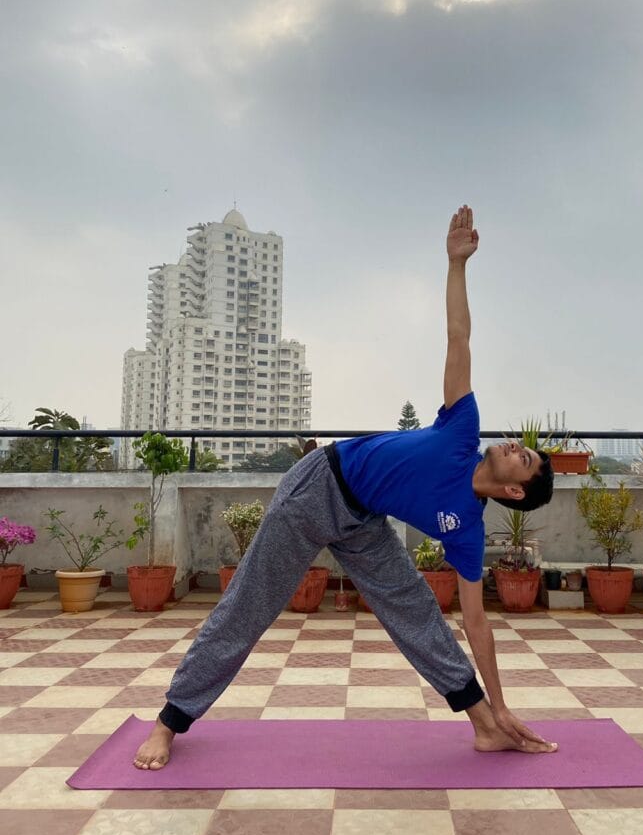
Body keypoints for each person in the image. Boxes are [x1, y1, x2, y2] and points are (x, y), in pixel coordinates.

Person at [133, 205, 556, 770]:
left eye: (521, 459)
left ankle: (486, 726)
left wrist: (503, 705)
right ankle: (170, 723)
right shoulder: (462, 429)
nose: (510, 446)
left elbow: (476, 622)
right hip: (318, 487)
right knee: (250, 604)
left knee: (417, 613)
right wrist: (457, 264)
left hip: (362, 522)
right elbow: (459, 336)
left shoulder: (468, 531)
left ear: (514, 493)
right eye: (517, 445)